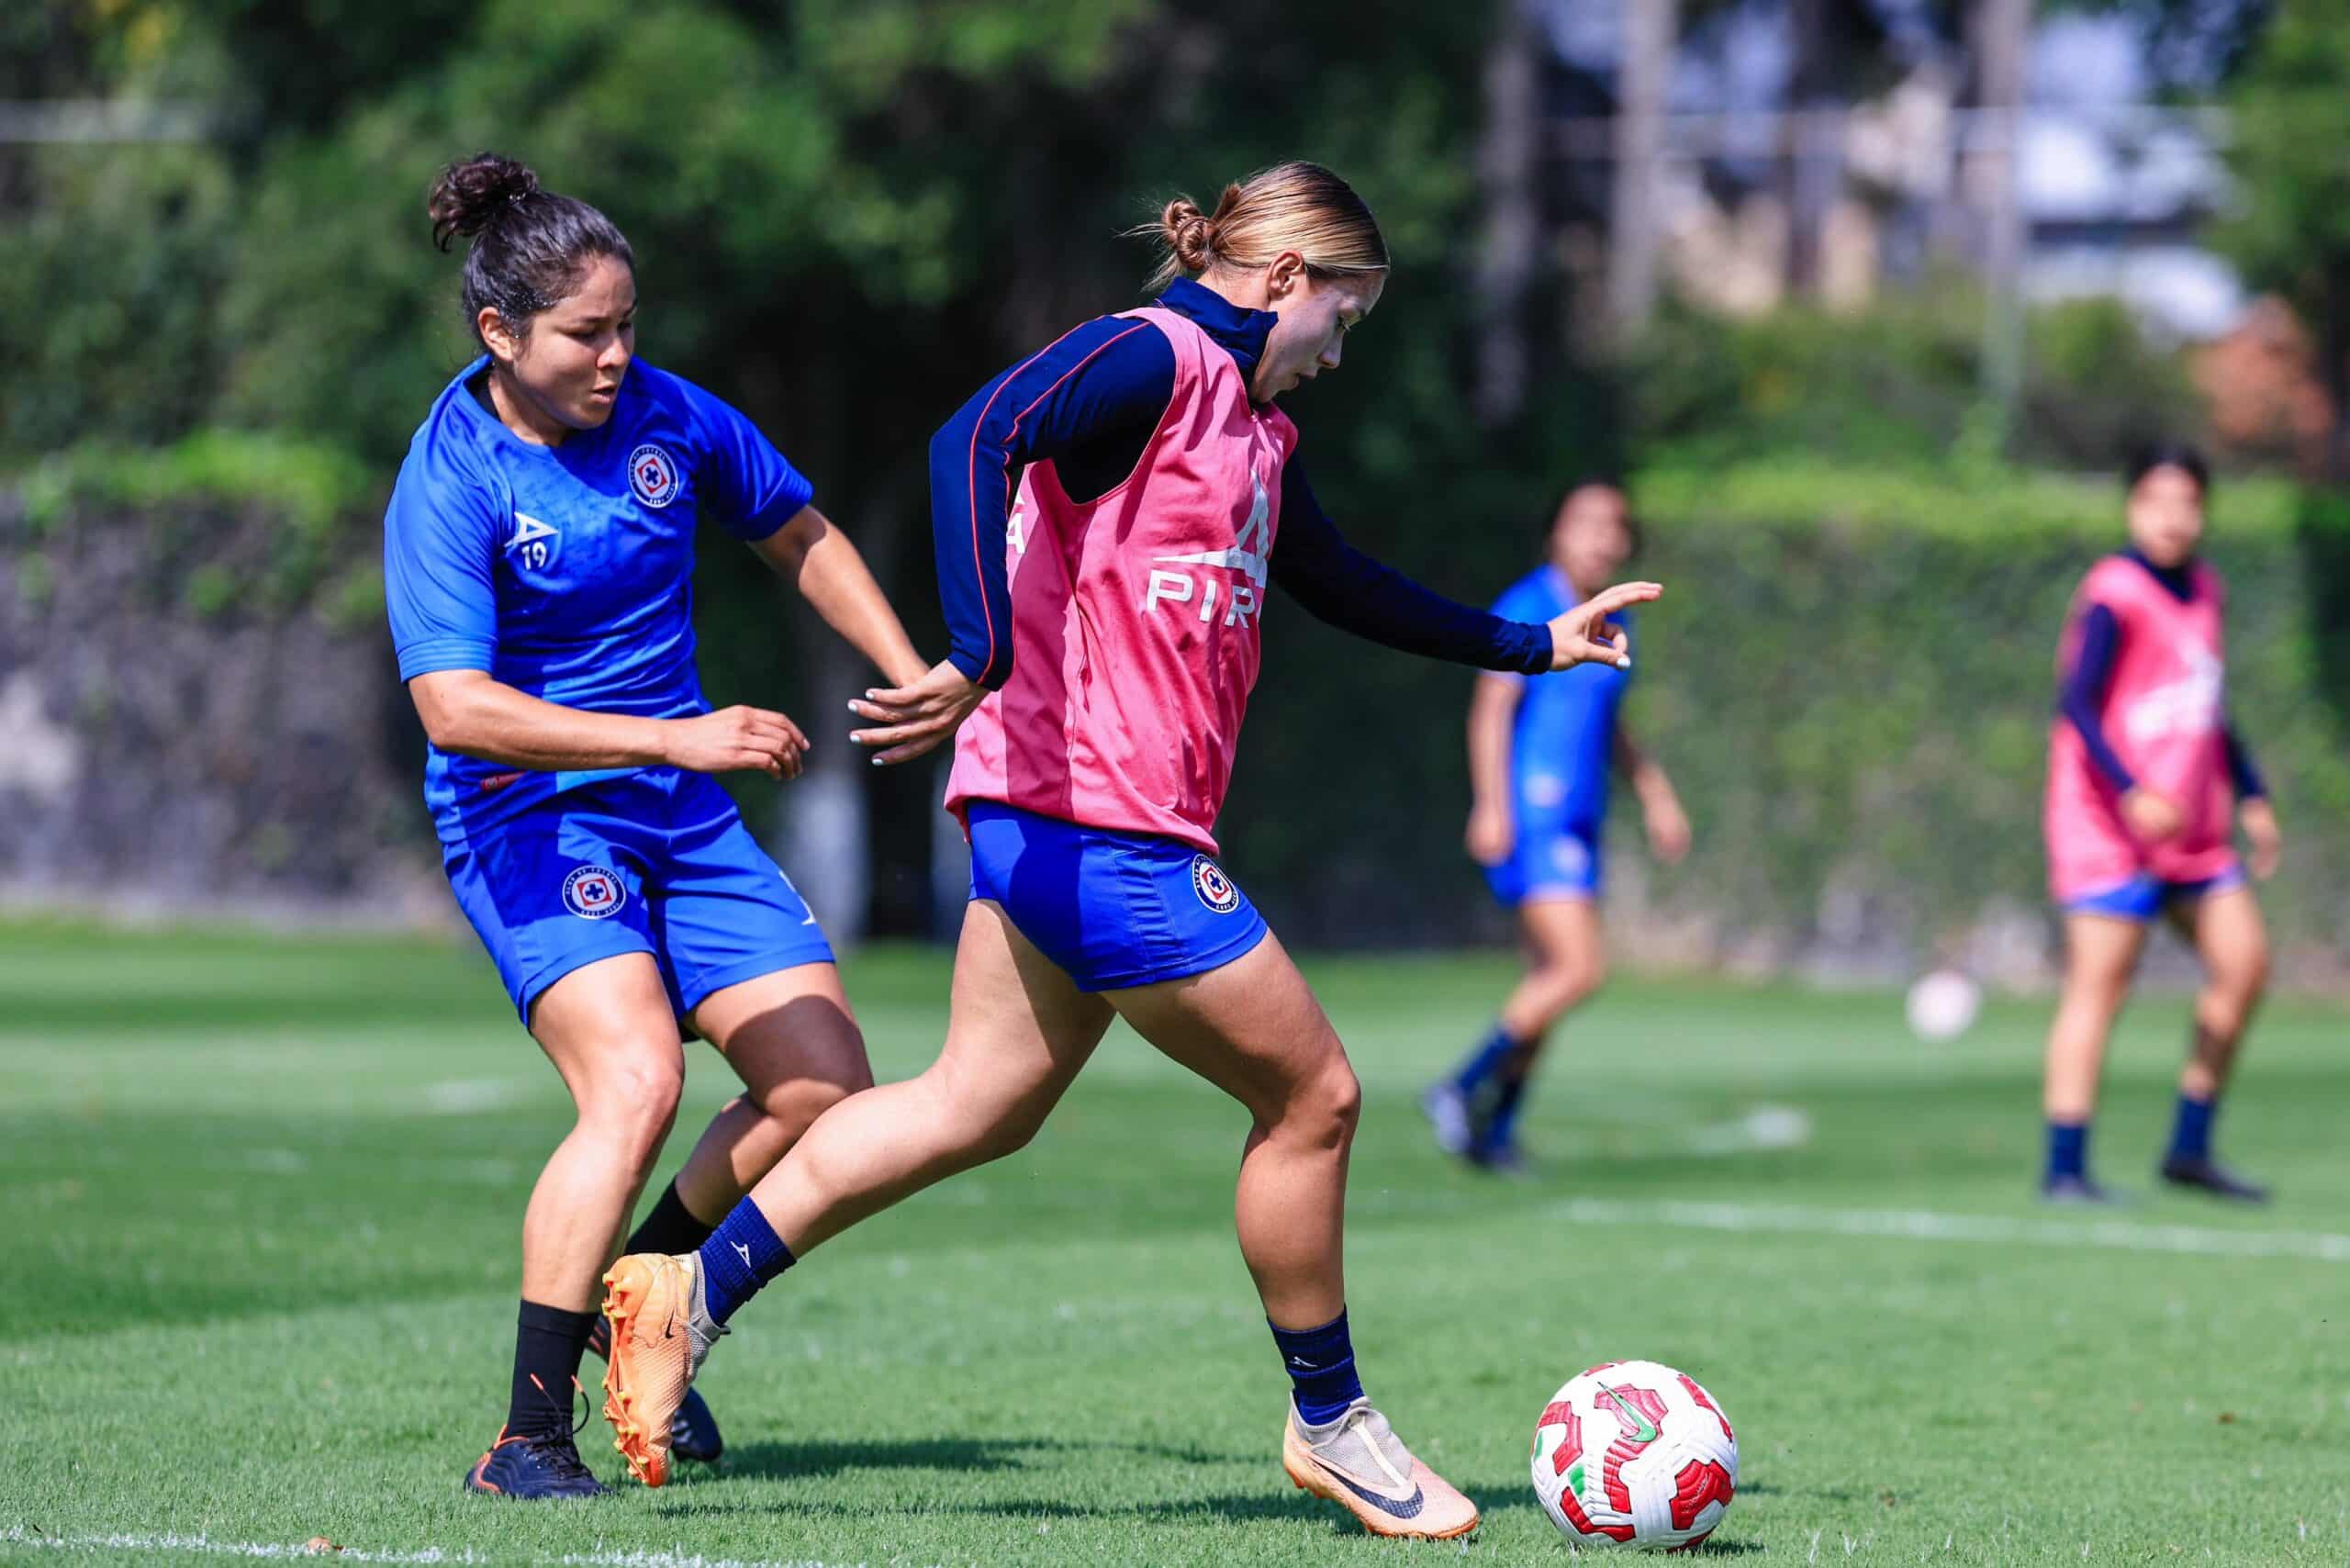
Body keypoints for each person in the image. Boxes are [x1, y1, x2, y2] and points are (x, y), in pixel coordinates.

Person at [594, 161, 1659, 1540]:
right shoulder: (1147, 362)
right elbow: (973, 438)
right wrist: (974, 652)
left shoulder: (1256, 433)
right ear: (1283, 280)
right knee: (1315, 1097)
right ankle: (1332, 1421)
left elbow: (1337, 581)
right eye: (1344, 315)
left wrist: (1535, 643)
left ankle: (681, 1291)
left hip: (1066, 825)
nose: (1341, 350)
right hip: (1097, 826)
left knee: (976, 1105)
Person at [384, 152, 931, 1496]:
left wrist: (912, 673)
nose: (619, 355)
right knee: (635, 1084)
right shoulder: (452, 476)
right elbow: (456, 709)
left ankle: (641, 1290)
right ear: (499, 334)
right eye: (588, 333)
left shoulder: (671, 420)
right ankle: (524, 1438)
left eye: (629, 325)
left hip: (677, 812)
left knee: (824, 1090)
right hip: (533, 820)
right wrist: (677, 735)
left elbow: (799, 532)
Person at [2040, 442, 2279, 1204]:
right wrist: (2130, 789)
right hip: (2109, 827)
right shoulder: (2113, 591)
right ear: (2132, 506)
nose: (2173, 518)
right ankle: (2066, 1167)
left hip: (2194, 831)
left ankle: (2189, 1147)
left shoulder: (2206, 588)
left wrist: (2251, 791)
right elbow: (2076, 703)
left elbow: (2209, 704)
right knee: (2099, 986)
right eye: (2156, 500)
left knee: (2244, 967)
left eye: (2188, 503)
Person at [1425, 484, 1689, 1172]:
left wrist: (1655, 793)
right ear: (1555, 534)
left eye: (1616, 527)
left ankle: (1496, 1132)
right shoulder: (1531, 604)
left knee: (1546, 981)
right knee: (1579, 970)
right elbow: (1491, 708)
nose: (1604, 538)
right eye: (1588, 523)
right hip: (1535, 816)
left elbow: (1610, 725)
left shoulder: (1611, 619)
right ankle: (1460, 1087)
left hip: (1578, 820)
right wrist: (1491, 803)